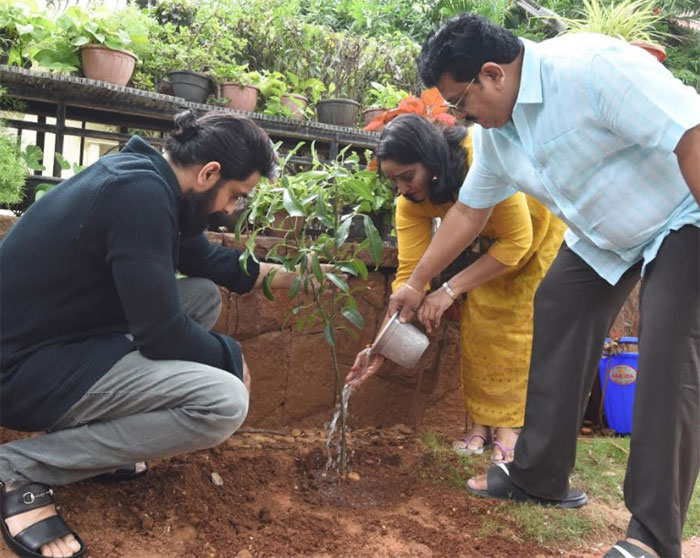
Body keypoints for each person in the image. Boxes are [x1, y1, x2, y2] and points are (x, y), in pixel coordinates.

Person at [387, 13, 700, 558]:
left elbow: (692, 135)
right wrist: (416, 284)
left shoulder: (590, 68)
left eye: (461, 102)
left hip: (681, 211)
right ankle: (538, 475)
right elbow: (468, 213)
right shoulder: (498, 136)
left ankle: (652, 537)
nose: (462, 117)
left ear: (493, 74)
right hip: (606, 233)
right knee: (558, 305)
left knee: (670, 347)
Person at [0, 110, 311, 558]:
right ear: (209, 173)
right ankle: (20, 468)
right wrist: (229, 355)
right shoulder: (138, 195)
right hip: (23, 373)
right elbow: (161, 334)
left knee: (202, 297)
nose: (229, 209)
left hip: (60, 341)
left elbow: (201, 259)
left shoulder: (147, 178)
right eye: (235, 195)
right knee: (223, 402)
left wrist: (289, 277)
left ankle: (95, 439)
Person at [345, 114, 565, 465]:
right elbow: (410, 277)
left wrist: (448, 290)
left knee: (516, 323)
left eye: (408, 176)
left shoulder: (479, 160)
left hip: (535, 228)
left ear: (431, 162)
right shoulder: (410, 203)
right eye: (394, 180)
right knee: (478, 322)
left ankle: (509, 429)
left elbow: (517, 242)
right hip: (487, 242)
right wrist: (380, 344)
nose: (402, 188)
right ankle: (481, 423)